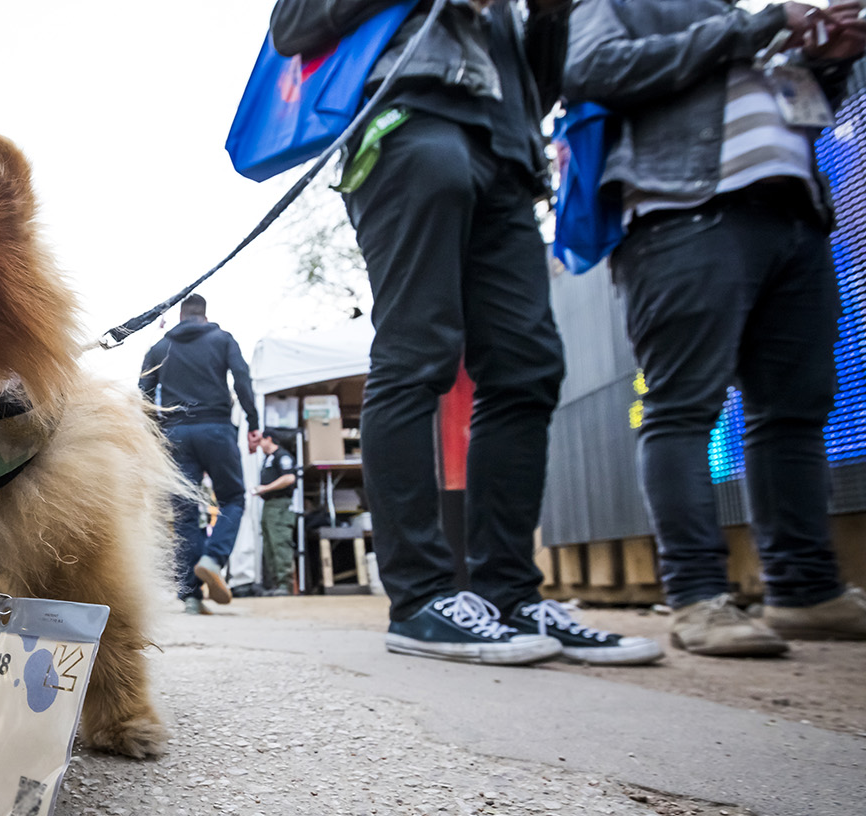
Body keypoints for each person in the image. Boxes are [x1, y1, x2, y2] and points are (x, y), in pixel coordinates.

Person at [271, 0, 662, 666]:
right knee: (417, 354)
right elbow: (292, 24)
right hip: (408, 122)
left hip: (506, 152)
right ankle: (421, 600)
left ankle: (509, 594)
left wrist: (548, 16)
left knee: (528, 367)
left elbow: (537, 90)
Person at [564, 0, 866, 655]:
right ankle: (698, 596)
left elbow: (803, 110)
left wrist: (825, 63)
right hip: (685, 213)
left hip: (796, 215)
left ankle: (806, 592)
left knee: (792, 412)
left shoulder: (746, 18)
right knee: (680, 407)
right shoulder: (622, 5)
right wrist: (757, 26)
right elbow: (590, 69)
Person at [139, 294, 260, 614]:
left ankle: (191, 597)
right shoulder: (223, 340)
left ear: (181, 315)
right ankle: (213, 558)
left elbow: (144, 396)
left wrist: (154, 435)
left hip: (175, 434)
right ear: (204, 315)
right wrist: (254, 422)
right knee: (233, 497)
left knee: (185, 514)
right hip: (216, 428)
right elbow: (243, 380)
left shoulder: (160, 348)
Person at [252, 428, 298, 596]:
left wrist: (265, 488)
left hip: (280, 505)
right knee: (269, 545)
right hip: (269, 505)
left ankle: (285, 585)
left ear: (269, 439)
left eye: (261, 441)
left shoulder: (282, 456)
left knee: (280, 543)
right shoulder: (268, 459)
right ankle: (275, 585)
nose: (259, 445)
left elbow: (289, 478)